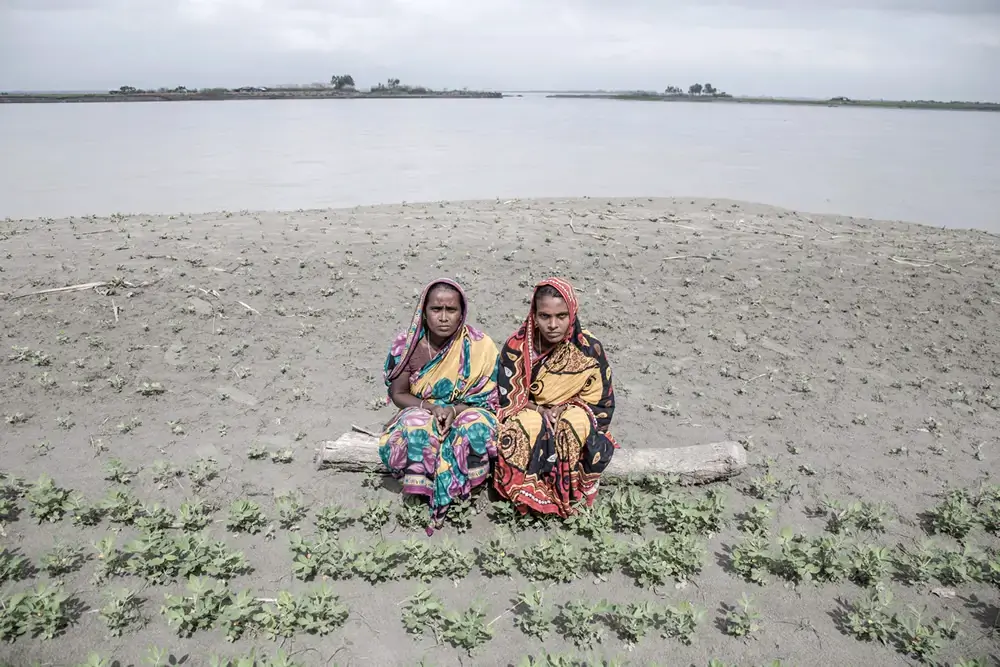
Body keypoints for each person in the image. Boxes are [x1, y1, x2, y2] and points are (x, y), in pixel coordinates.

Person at [378, 278, 500, 533]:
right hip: (423, 409)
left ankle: (466, 490)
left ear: (462, 313)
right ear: (424, 311)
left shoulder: (479, 345)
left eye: (451, 310)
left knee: (474, 427)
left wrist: (454, 411)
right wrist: (430, 408)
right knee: (416, 423)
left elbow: (490, 398)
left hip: (468, 409)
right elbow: (398, 393)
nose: (443, 317)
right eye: (436, 310)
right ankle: (420, 491)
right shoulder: (408, 345)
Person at [493, 277, 619, 517]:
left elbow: (600, 404)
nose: (553, 324)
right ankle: (523, 500)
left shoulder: (588, 350)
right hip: (530, 411)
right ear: (534, 315)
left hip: (572, 412)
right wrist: (540, 411)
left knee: (575, 423)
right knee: (526, 425)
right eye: (545, 316)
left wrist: (565, 407)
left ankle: (569, 496)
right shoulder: (517, 347)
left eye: (561, 316)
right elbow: (508, 400)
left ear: (572, 313)